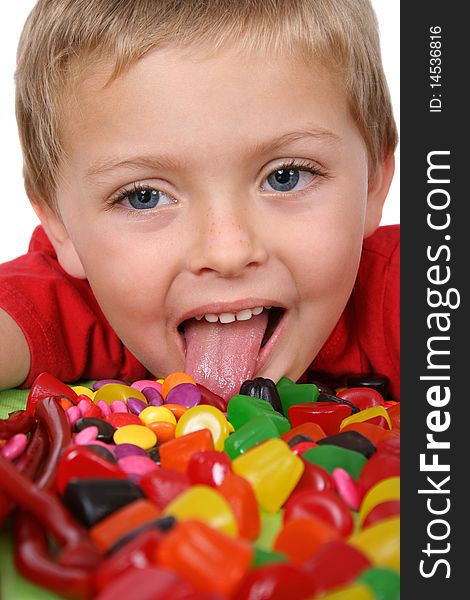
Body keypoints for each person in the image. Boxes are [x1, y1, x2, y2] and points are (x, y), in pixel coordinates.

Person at [0, 0, 399, 401]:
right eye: (145, 197)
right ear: (60, 226)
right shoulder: (77, 301)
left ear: (374, 180)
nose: (228, 253)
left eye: (285, 177)